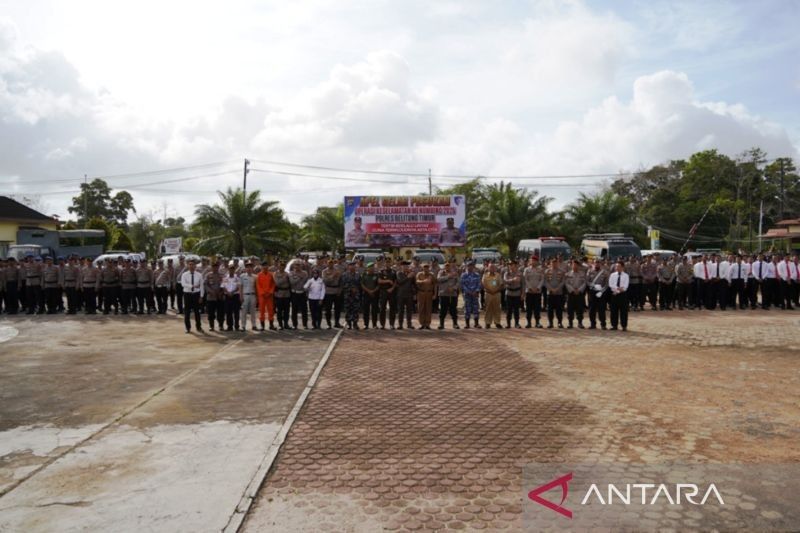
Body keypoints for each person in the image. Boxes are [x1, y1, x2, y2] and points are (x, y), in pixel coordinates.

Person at [180, 259, 204, 333]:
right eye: (190, 264)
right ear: (188, 265)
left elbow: (201, 286)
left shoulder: (199, 275)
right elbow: (183, 284)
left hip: (196, 295)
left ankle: (198, 327)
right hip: (187, 294)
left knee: (197, 312)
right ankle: (188, 328)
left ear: (195, 266)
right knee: (187, 312)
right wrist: (192, 286)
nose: (191, 266)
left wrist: (201, 296)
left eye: (193, 264)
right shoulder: (184, 275)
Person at [586, 259, 608, 330]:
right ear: (593, 263)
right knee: (592, 309)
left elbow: (606, 284)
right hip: (592, 292)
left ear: (600, 264)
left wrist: (601, 291)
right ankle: (593, 324)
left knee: (601, 309)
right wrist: (593, 286)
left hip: (601, 293)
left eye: (598, 263)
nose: (597, 264)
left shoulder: (604, 272)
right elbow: (587, 281)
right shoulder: (590, 271)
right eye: (595, 263)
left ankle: (603, 324)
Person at [437, 261, 460, 329]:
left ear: (450, 266)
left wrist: (454, 288)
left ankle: (455, 324)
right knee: (443, 310)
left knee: (453, 309)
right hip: (443, 294)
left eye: (448, 265)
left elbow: (458, 282)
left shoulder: (455, 273)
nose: (447, 267)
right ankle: (441, 324)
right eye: (446, 265)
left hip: (452, 294)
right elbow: (438, 279)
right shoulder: (441, 272)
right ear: (444, 266)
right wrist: (448, 276)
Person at [523, 256, 544, 329]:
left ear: (537, 262)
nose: (533, 262)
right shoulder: (526, 270)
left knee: (537, 308)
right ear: (530, 261)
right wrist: (530, 288)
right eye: (532, 260)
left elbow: (542, 279)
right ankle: (528, 322)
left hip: (537, 292)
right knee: (529, 308)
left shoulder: (540, 270)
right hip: (529, 292)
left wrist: (538, 287)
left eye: (535, 261)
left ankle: (537, 322)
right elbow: (525, 280)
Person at [608, 260, 630, 331]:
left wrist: (617, 290)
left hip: (623, 295)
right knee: (614, 311)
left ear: (622, 267)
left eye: (619, 266)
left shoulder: (626, 275)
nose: (617, 268)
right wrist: (618, 288)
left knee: (623, 311)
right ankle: (614, 325)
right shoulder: (612, 275)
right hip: (614, 295)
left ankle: (624, 326)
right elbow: (611, 285)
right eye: (616, 266)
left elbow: (625, 287)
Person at [544, 259, 565, 328]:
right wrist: (551, 289)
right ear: (550, 264)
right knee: (550, 309)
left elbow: (563, 282)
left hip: (559, 293)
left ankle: (559, 322)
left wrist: (557, 289)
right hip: (550, 293)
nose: (554, 264)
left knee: (559, 309)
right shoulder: (547, 271)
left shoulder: (562, 271)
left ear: (558, 263)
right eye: (552, 263)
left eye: (555, 263)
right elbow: (545, 282)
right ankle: (550, 323)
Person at [321, 260, 343, 329]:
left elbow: (341, 281)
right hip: (328, 291)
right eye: (329, 263)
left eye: (331, 263)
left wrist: (340, 290)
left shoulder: (338, 271)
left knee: (337, 309)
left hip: (336, 291)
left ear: (333, 264)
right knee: (328, 309)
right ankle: (328, 324)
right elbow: (325, 281)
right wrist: (333, 276)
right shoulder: (324, 271)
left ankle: (337, 322)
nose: (330, 265)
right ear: (327, 264)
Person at [565, 259, 586, 329]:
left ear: (579, 266)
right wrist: (573, 290)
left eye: (576, 265)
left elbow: (584, 283)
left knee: (580, 309)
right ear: (571, 265)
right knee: (570, 309)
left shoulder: (582, 274)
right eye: (573, 265)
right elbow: (566, 283)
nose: (575, 266)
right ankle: (570, 323)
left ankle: (580, 323)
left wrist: (579, 290)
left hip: (579, 294)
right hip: (571, 294)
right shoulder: (568, 274)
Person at [460, 260, 481, 329]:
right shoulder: (463, 275)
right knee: (467, 309)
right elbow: (462, 285)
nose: (470, 267)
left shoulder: (477, 275)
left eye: (471, 266)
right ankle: (467, 324)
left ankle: (476, 323)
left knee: (476, 309)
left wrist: (476, 291)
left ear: (473, 266)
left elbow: (479, 284)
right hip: (467, 295)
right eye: (469, 266)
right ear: (466, 266)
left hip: (475, 294)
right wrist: (469, 291)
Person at [481, 263, 503, 329]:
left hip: (497, 294)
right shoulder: (485, 275)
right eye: (490, 267)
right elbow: (483, 284)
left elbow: (501, 284)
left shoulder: (498, 275)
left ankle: (497, 322)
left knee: (497, 308)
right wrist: (490, 291)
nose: (492, 268)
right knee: (488, 308)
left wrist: (495, 291)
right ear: (488, 268)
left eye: (493, 267)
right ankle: (488, 323)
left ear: (495, 268)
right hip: (488, 294)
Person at [203, 262, 224, 330]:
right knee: (211, 313)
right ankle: (211, 326)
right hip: (211, 297)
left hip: (219, 297)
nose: (215, 268)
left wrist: (221, 292)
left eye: (216, 266)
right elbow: (205, 284)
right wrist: (211, 291)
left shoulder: (221, 275)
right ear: (212, 267)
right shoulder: (208, 275)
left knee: (220, 312)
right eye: (214, 266)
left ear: (218, 267)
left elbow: (224, 284)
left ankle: (221, 325)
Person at [257, 261, 277, 331]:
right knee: (261, 310)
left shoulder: (271, 274)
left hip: (269, 296)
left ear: (268, 266)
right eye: (263, 266)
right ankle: (262, 326)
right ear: (261, 267)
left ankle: (271, 325)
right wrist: (263, 293)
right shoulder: (259, 275)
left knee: (271, 310)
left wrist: (270, 292)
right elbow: (258, 285)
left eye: (266, 265)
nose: (265, 267)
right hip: (262, 296)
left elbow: (273, 284)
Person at [395, 261, 416, 329]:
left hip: (409, 294)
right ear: (401, 267)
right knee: (401, 310)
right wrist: (408, 277)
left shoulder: (411, 273)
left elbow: (414, 284)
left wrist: (413, 276)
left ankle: (409, 324)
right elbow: (400, 282)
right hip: (401, 294)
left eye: (407, 266)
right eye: (404, 266)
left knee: (409, 310)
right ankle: (400, 324)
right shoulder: (399, 273)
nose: (406, 267)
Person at [415, 263, 436, 329]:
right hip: (421, 293)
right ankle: (422, 324)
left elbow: (435, 284)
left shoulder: (432, 275)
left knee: (428, 309)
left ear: (429, 268)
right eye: (424, 267)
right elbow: (417, 281)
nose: (426, 268)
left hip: (429, 293)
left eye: (427, 267)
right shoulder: (419, 274)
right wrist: (423, 281)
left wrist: (435, 294)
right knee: (421, 309)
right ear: (422, 268)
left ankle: (427, 324)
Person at [289, 262, 310, 329]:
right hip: (294, 293)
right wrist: (299, 278)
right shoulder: (291, 273)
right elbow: (292, 282)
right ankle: (294, 325)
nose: (297, 267)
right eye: (296, 265)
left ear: (301, 266)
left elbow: (306, 281)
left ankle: (305, 324)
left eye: (299, 265)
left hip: (302, 293)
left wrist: (298, 278)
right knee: (294, 310)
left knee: (304, 310)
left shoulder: (305, 273)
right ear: (294, 266)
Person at [341, 261, 362, 330]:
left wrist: (356, 289)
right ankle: (349, 324)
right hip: (348, 295)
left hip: (356, 295)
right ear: (348, 266)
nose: (352, 267)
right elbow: (343, 284)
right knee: (348, 309)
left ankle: (355, 323)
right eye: (351, 265)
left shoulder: (358, 274)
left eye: (353, 265)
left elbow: (360, 284)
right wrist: (350, 289)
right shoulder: (344, 275)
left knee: (355, 309)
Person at [503, 262, 523, 328]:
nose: (512, 267)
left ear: (516, 266)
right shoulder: (506, 273)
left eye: (513, 266)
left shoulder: (519, 273)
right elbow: (505, 281)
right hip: (509, 293)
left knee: (516, 309)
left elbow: (522, 284)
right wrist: (512, 280)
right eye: (510, 266)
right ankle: (508, 323)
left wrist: (523, 293)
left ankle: (517, 323)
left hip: (517, 293)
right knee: (509, 310)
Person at [222, 263, 241, 331]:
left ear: (234, 270)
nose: (231, 270)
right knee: (228, 312)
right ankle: (229, 326)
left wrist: (232, 292)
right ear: (228, 269)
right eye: (230, 269)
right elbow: (223, 287)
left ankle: (237, 326)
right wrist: (228, 292)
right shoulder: (225, 278)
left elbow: (239, 287)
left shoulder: (237, 278)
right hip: (227, 296)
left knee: (236, 312)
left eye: (233, 269)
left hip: (235, 295)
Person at [273, 261, 292, 330]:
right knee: (279, 311)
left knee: (287, 310)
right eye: (280, 265)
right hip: (279, 294)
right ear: (278, 266)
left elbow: (290, 283)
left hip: (287, 293)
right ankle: (280, 324)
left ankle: (286, 323)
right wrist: (284, 278)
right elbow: (277, 283)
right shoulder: (275, 274)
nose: (282, 267)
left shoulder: (287, 274)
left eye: (283, 266)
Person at [240, 262, 258, 331]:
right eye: (247, 267)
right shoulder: (242, 276)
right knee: (243, 311)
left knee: (253, 311)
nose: (249, 268)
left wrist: (257, 297)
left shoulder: (255, 276)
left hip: (253, 295)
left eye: (250, 267)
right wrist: (241, 296)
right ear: (246, 268)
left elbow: (256, 287)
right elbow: (240, 286)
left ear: (252, 268)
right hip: (245, 295)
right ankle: (243, 326)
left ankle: (254, 325)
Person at [360, 262, 379, 329]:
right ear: (367, 268)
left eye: (373, 267)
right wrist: (369, 291)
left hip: (374, 294)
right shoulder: (364, 275)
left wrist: (373, 291)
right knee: (366, 310)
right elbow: (362, 284)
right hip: (366, 294)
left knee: (374, 310)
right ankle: (366, 324)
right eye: (370, 267)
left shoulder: (376, 275)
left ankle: (374, 324)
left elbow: (378, 285)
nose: (372, 268)